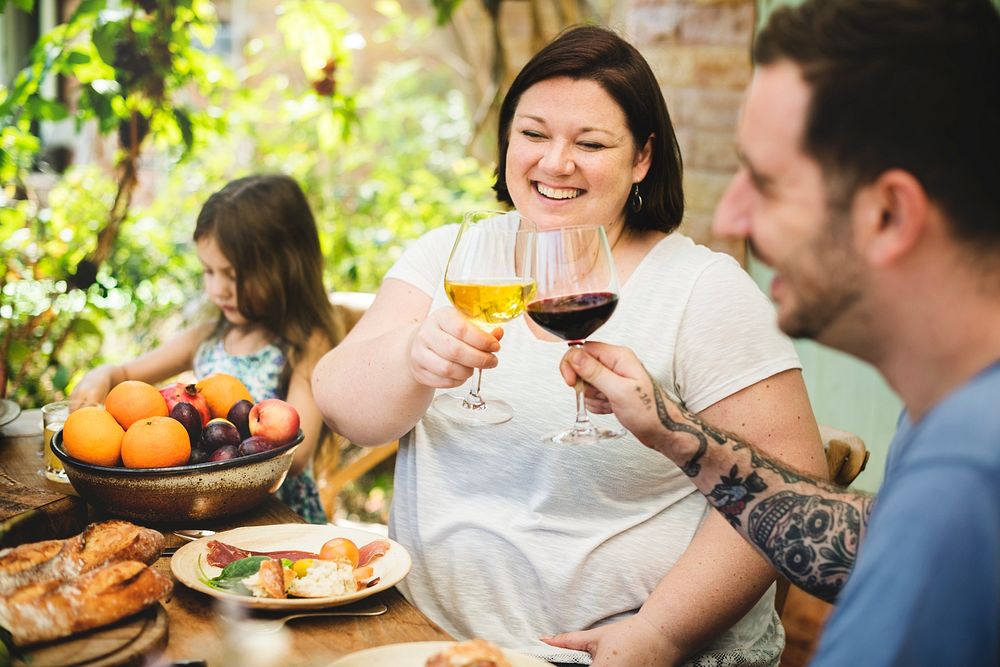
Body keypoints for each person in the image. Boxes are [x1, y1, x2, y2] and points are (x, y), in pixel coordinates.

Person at [313, 25, 827, 666]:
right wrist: (409, 358)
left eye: (590, 143)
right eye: (533, 134)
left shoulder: (702, 289)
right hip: (427, 643)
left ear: (642, 157)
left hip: (621, 652)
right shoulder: (455, 254)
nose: (555, 163)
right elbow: (342, 408)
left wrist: (659, 635)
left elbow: (794, 484)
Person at [558, 1, 1000, 665]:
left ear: (888, 213)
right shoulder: (954, 414)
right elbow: (862, 542)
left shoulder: (969, 476)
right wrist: (676, 432)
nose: (733, 214)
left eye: (765, 181)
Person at [71, 174, 342, 524]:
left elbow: (298, 454)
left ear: (284, 267)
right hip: (212, 513)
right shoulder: (206, 337)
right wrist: (102, 373)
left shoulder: (307, 344)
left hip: (277, 517)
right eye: (208, 271)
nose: (218, 290)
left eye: (231, 274)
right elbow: (124, 375)